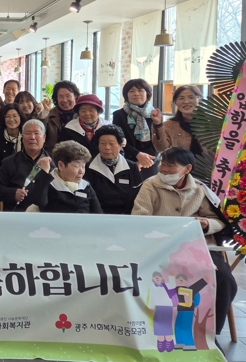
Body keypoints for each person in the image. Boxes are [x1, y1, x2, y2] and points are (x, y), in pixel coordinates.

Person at [132, 146, 237, 338]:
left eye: (171, 166)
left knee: (224, 279)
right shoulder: (150, 185)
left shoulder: (199, 189)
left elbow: (219, 221)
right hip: (158, 248)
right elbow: (139, 217)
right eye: (162, 164)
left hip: (195, 246)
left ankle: (210, 334)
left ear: (187, 169)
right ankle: (156, 329)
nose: (164, 169)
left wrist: (206, 223)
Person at [25, 140, 103, 213]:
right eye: (76, 166)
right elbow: (39, 202)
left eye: (83, 166)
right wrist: (44, 172)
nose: (81, 171)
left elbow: (98, 214)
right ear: (61, 165)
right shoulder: (48, 184)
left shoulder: (86, 186)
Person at [0, 119, 53, 211]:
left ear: (44, 137)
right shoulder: (9, 162)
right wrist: (13, 193)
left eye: (36, 133)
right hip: (18, 211)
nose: (32, 137)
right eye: (28, 133)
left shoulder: (54, 162)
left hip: (46, 212)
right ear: (22, 137)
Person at [84, 125, 142, 214]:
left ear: (120, 145)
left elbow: (138, 195)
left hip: (126, 215)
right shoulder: (88, 167)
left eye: (111, 143)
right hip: (98, 216)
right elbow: (88, 198)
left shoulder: (132, 167)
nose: (107, 147)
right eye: (102, 143)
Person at [113, 78, 160, 179]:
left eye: (140, 90)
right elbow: (118, 139)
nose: (136, 94)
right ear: (126, 95)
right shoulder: (119, 115)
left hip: (150, 162)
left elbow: (160, 141)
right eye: (132, 91)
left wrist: (143, 161)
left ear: (147, 94)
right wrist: (137, 155)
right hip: (126, 160)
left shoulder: (155, 114)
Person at [152, 85, 205, 155]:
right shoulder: (168, 126)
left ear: (200, 100)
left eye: (191, 97)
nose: (186, 101)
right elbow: (161, 148)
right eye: (181, 98)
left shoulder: (211, 124)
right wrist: (158, 124)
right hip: (178, 162)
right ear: (175, 102)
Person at [0, 103, 27, 180]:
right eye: (7, 116)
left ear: (20, 117)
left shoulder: (26, 133)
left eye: (15, 116)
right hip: (2, 178)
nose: (11, 119)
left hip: (23, 177)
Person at [45, 81, 80, 151]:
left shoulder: (81, 115)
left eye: (68, 96)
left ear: (75, 96)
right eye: (60, 96)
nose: (64, 100)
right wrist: (44, 114)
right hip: (53, 155)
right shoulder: (49, 115)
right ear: (56, 98)